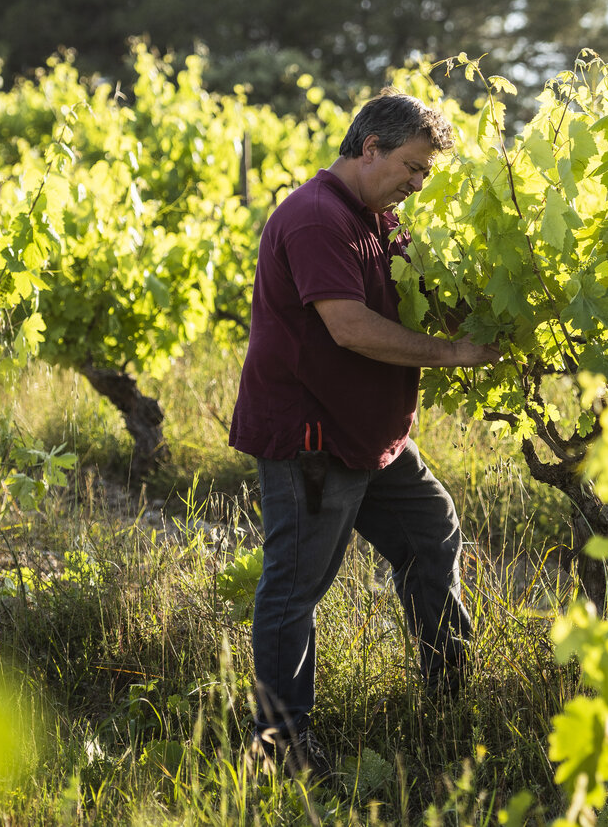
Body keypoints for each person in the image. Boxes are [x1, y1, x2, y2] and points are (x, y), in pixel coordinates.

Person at [228, 89, 500, 780]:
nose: (417, 183)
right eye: (412, 167)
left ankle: (447, 699)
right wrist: (455, 353)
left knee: (432, 533)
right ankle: (282, 747)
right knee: (296, 589)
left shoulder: (380, 219)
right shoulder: (318, 217)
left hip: (372, 437)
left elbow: (422, 292)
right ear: (370, 147)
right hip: (312, 439)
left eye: (426, 173)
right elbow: (346, 326)